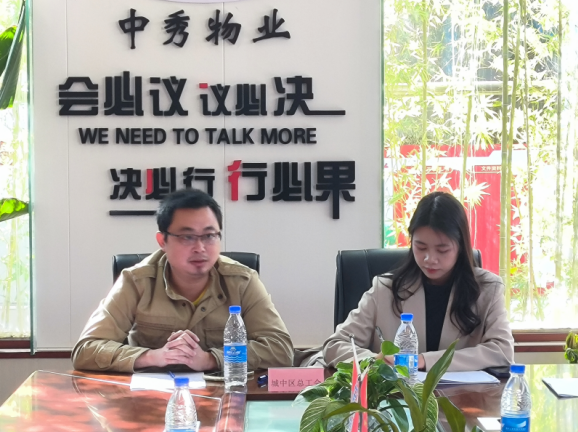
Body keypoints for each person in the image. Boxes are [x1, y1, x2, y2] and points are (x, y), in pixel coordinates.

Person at [72, 188, 294, 373]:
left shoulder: (242, 281)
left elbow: (280, 350)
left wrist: (211, 359)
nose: (200, 248)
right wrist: (153, 356)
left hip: (226, 394)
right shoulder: (136, 281)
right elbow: (86, 349)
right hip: (150, 397)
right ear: (162, 241)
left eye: (209, 236)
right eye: (187, 237)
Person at [323, 191, 514, 372]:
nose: (429, 259)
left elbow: (502, 351)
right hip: (396, 394)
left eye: (442, 250)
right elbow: (335, 345)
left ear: (461, 247)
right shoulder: (385, 289)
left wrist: (424, 360)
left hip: (466, 394)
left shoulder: (487, 289)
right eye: (421, 247)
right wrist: (376, 362)